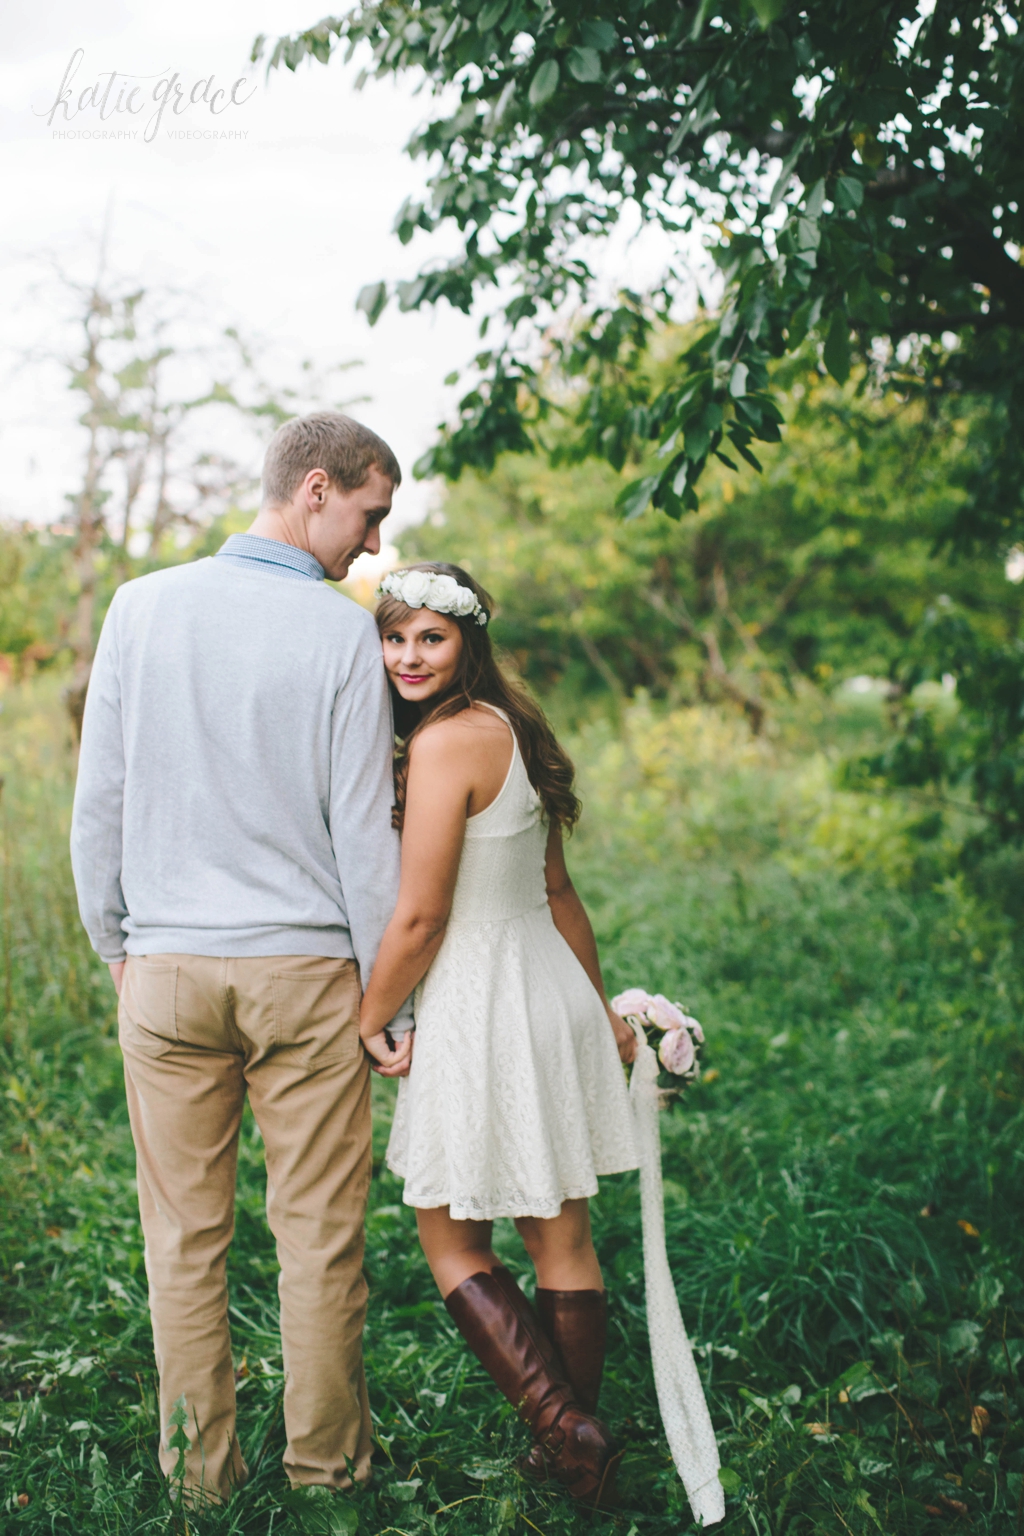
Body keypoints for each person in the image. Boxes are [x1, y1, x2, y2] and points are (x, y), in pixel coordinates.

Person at [70, 412, 413, 1505]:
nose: (371, 546)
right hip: (308, 977)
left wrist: (116, 945)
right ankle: (325, 1476)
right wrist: (385, 999)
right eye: (369, 516)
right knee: (318, 1239)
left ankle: (199, 1485)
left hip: (167, 969)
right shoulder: (339, 635)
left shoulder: (141, 607)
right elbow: (364, 837)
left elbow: (99, 809)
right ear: (317, 488)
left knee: (181, 1241)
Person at [359, 562, 640, 1506]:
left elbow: (422, 917)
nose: (407, 655)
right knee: (561, 1235)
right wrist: (594, 1010)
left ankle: (567, 1430)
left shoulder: (442, 745)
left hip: (481, 998)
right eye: (393, 636)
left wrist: (369, 1019)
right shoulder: (514, 730)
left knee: (452, 1241)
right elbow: (559, 892)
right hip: (546, 988)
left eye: (430, 638)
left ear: (467, 642)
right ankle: (578, 1454)